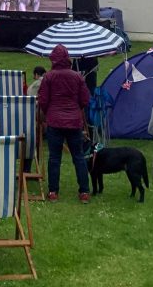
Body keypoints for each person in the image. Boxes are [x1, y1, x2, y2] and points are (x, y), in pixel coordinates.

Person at [37, 44, 91, 202]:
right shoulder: (77, 76)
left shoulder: (49, 76)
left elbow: (43, 100)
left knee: (54, 158)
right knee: (79, 157)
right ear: (67, 58)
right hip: (74, 121)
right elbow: (85, 100)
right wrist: (75, 109)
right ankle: (84, 192)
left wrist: (48, 114)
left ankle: (53, 192)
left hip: (54, 121)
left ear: (53, 59)